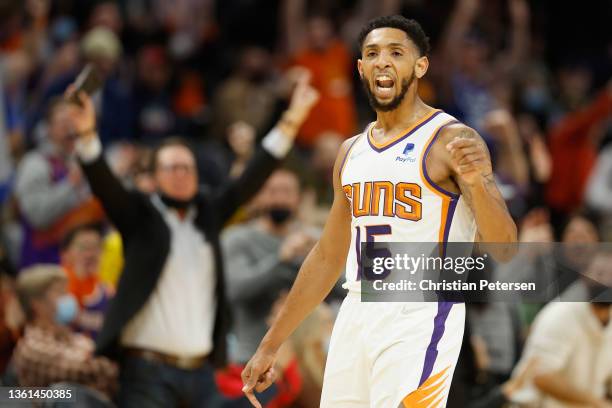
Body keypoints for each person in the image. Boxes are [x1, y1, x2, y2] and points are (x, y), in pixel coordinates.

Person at [242, 15, 516, 408]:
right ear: (360, 68)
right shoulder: (350, 151)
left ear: (420, 66)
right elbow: (326, 256)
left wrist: (476, 184)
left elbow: (504, 248)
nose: (382, 61)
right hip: (356, 311)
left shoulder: (451, 139)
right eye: (372, 53)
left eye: (396, 52)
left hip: (420, 311)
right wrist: (270, 345)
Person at [64, 74, 319, 407]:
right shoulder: (139, 216)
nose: (181, 174)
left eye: (187, 167)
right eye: (172, 168)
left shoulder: (208, 214)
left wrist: (291, 120)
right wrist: (86, 135)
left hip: (201, 374)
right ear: (154, 178)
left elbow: (251, 178)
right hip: (147, 372)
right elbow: (105, 184)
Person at [221, 168, 316, 406]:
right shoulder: (237, 238)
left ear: (298, 198)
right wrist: (281, 259)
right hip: (250, 359)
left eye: (287, 191)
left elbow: (345, 289)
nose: (280, 198)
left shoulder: (313, 239)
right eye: (273, 191)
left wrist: (318, 257)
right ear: (259, 195)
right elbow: (237, 290)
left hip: (306, 364)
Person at [14, 99, 105, 268]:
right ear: (48, 129)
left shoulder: (87, 161)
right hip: (44, 268)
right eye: (63, 123)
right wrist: (71, 184)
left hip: (85, 268)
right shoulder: (34, 164)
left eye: (74, 122)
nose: (70, 129)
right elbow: (37, 216)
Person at [12, 264, 117, 397]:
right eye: (60, 292)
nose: (69, 298)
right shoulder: (32, 346)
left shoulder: (74, 338)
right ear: (37, 305)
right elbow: (91, 369)